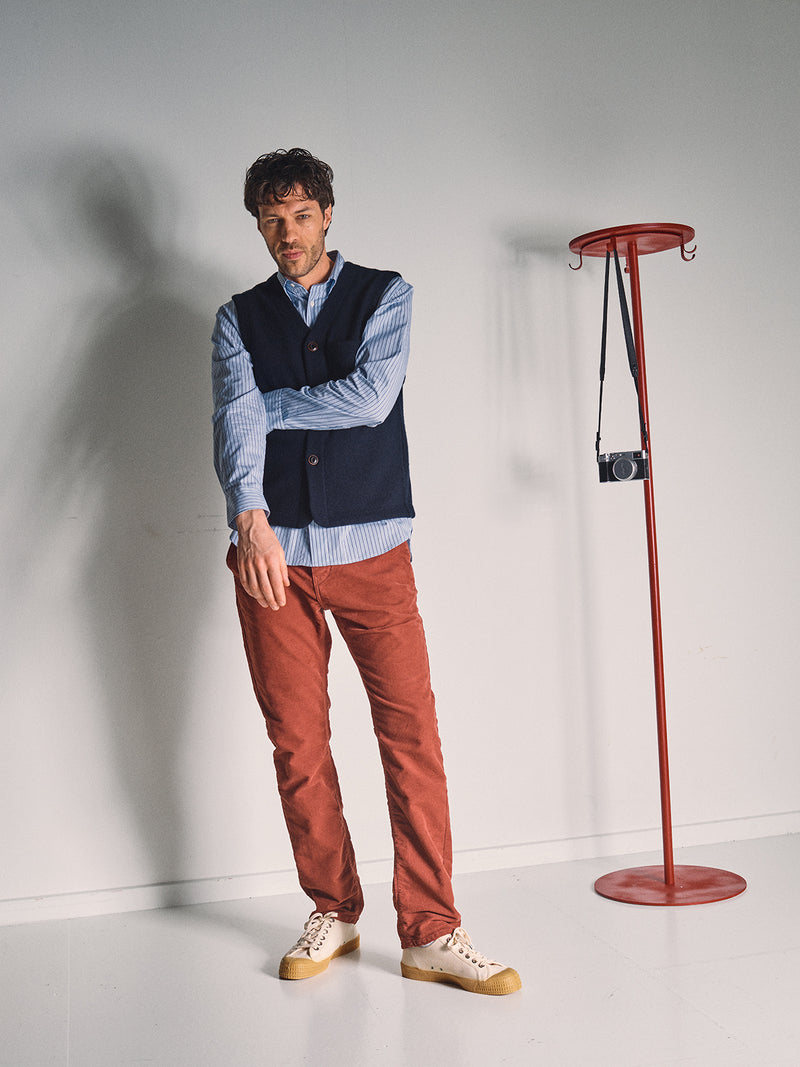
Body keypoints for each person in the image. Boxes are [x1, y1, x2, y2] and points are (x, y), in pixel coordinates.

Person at [211, 148, 521, 996]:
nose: (287, 234)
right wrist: (250, 514)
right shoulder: (238, 319)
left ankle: (431, 930)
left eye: (301, 215)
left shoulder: (387, 294)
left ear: (328, 215)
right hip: (270, 560)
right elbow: (231, 435)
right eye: (272, 220)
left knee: (410, 735)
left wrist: (262, 407)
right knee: (298, 744)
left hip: (374, 553)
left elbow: (370, 399)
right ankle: (334, 909)